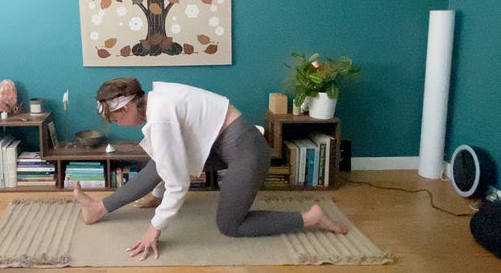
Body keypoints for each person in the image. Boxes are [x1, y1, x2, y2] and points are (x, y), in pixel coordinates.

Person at [73, 78, 348, 261]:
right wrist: (157, 195)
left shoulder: (160, 117)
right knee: (158, 163)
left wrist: (154, 228)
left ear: (128, 106)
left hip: (247, 149)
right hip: (219, 146)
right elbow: (165, 161)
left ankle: (310, 218)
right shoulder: (156, 100)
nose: (118, 124)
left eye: (116, 118)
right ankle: (99, 208)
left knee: (230, 225)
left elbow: (178, 182)